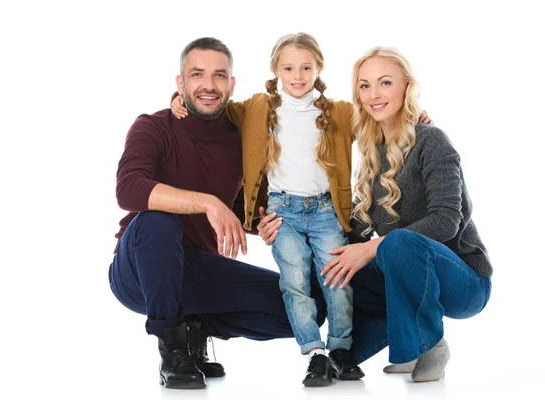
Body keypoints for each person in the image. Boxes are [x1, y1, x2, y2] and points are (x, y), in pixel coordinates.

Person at [172, 33, 430, 387]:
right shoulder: (257, 108)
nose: (297, 76)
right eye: (289, 67)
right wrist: (177, 98)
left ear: (318, 68)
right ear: (276, 69)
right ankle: (315, 354)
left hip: (326, 211)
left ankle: (340, 349)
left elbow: (379, 117)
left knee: (337, 280)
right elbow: (212, 107)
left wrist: (415, 114)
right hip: (282, 213)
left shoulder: (339, 112)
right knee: (294, 283)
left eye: (306, 67)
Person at [108, 37, 328, 390]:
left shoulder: (241, 135)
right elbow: (129, 189)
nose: (208, 85)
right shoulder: (152, 126)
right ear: (180, 84)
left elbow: (243, 205)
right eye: (197, 75)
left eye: (219, 76)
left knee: (308, 307)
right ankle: (173, 350)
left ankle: (196, 328)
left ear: (232, 84)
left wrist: (269, 222)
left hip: (194, 272)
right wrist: (209, 202)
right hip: (139, 270)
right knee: (157, 221)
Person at [261, 46, 493, 382]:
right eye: (365, 85)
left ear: (405, 88)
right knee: (330, 268)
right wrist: (284, 229)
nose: (374, 94)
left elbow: (446, 221)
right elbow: (355, 231)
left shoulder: (432, 141)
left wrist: (372, 248)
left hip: (463, 282)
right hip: (403, 275)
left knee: (396, 244)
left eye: (385, 83)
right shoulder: (372, 151)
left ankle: (430, 344)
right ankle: (393, 342)